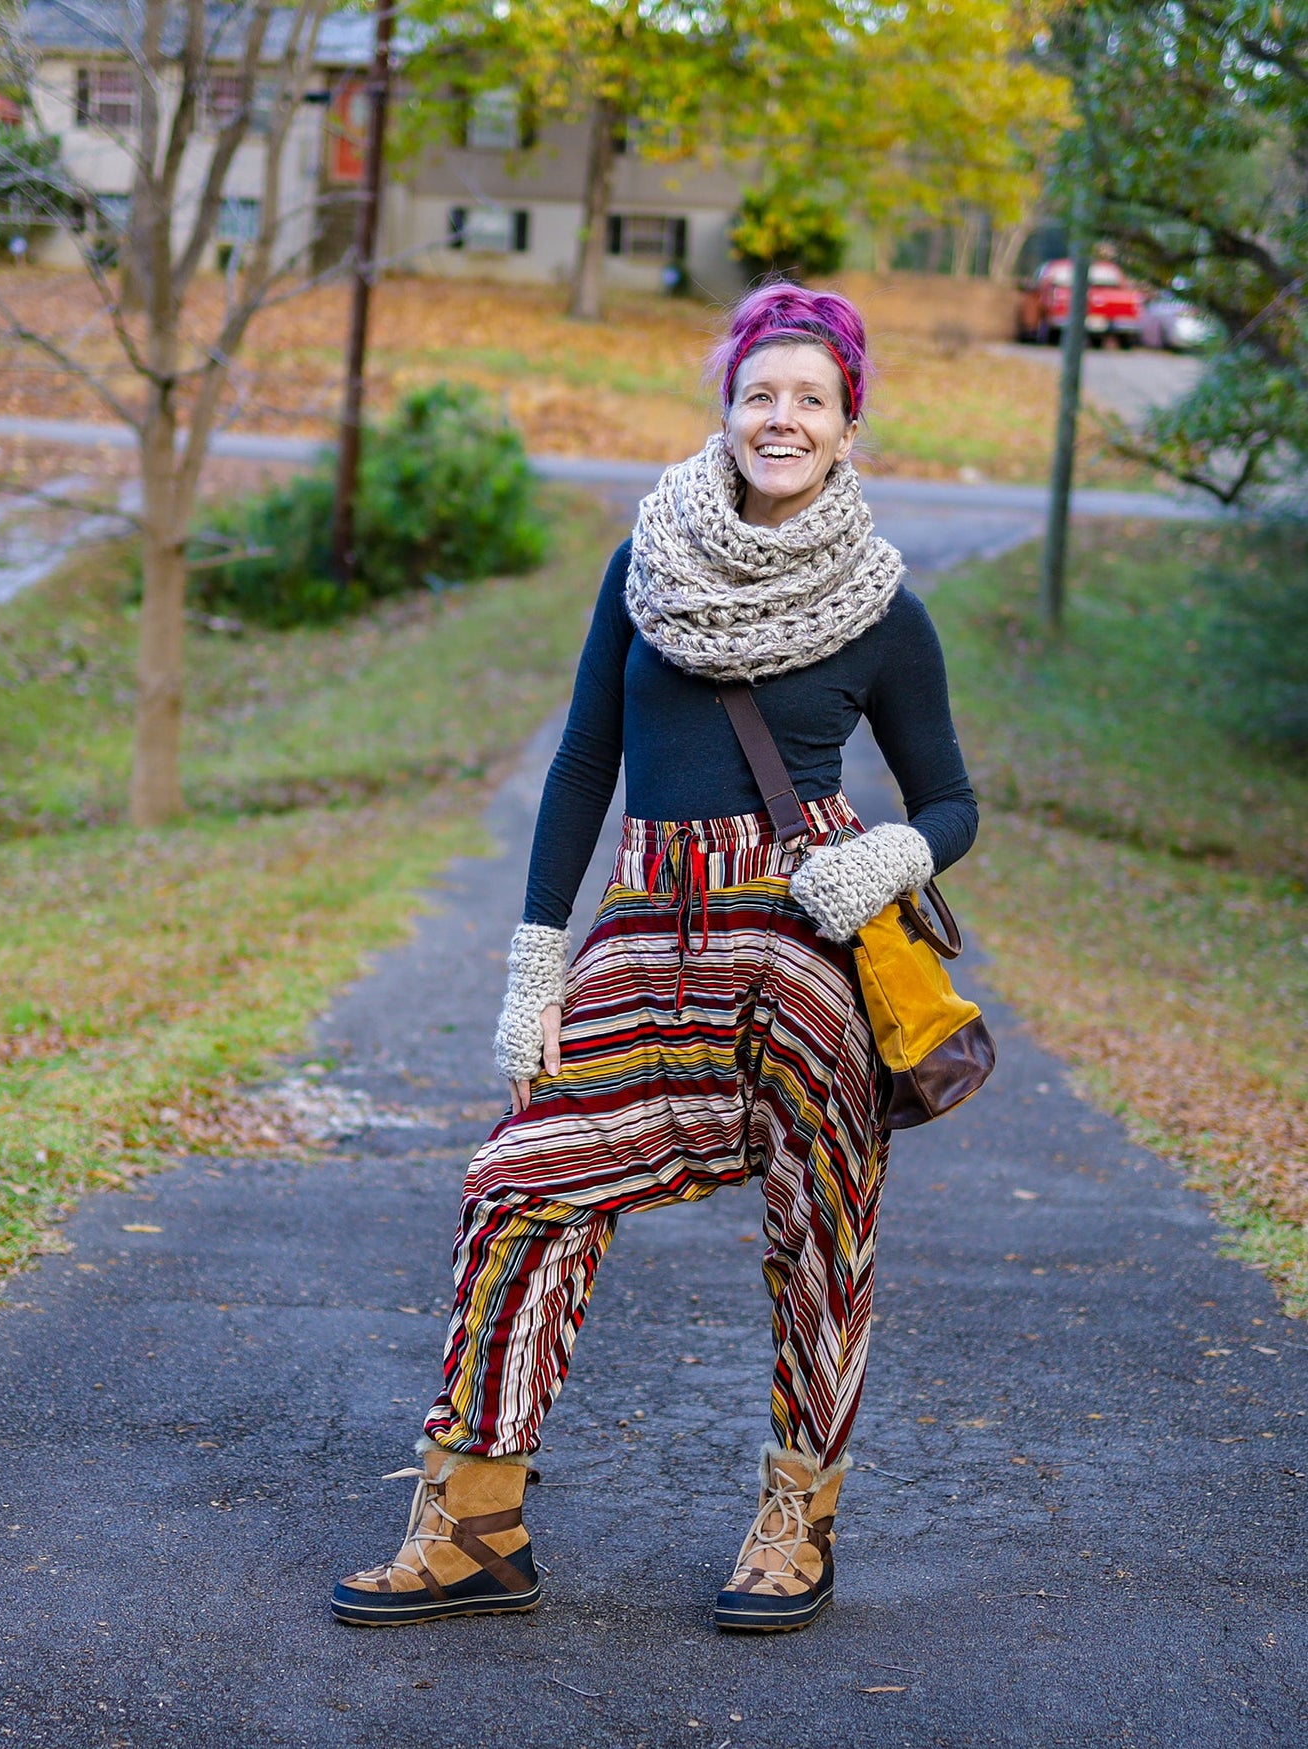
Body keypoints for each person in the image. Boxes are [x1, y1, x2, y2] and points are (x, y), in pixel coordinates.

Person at [331, 284, 977, 1634]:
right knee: (519, 1183)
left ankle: (798, 1516)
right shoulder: (648, 566)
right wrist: (534, 958)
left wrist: (898, 855)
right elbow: (580, 767)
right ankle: (477, 1526)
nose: (782, 418)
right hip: (650, 927)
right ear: (726, 411)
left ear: (849, 426)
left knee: (822, 1234)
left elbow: (954, 799)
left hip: (804, 942)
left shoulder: (884, 611)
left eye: (811, 398)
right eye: (761, 394)